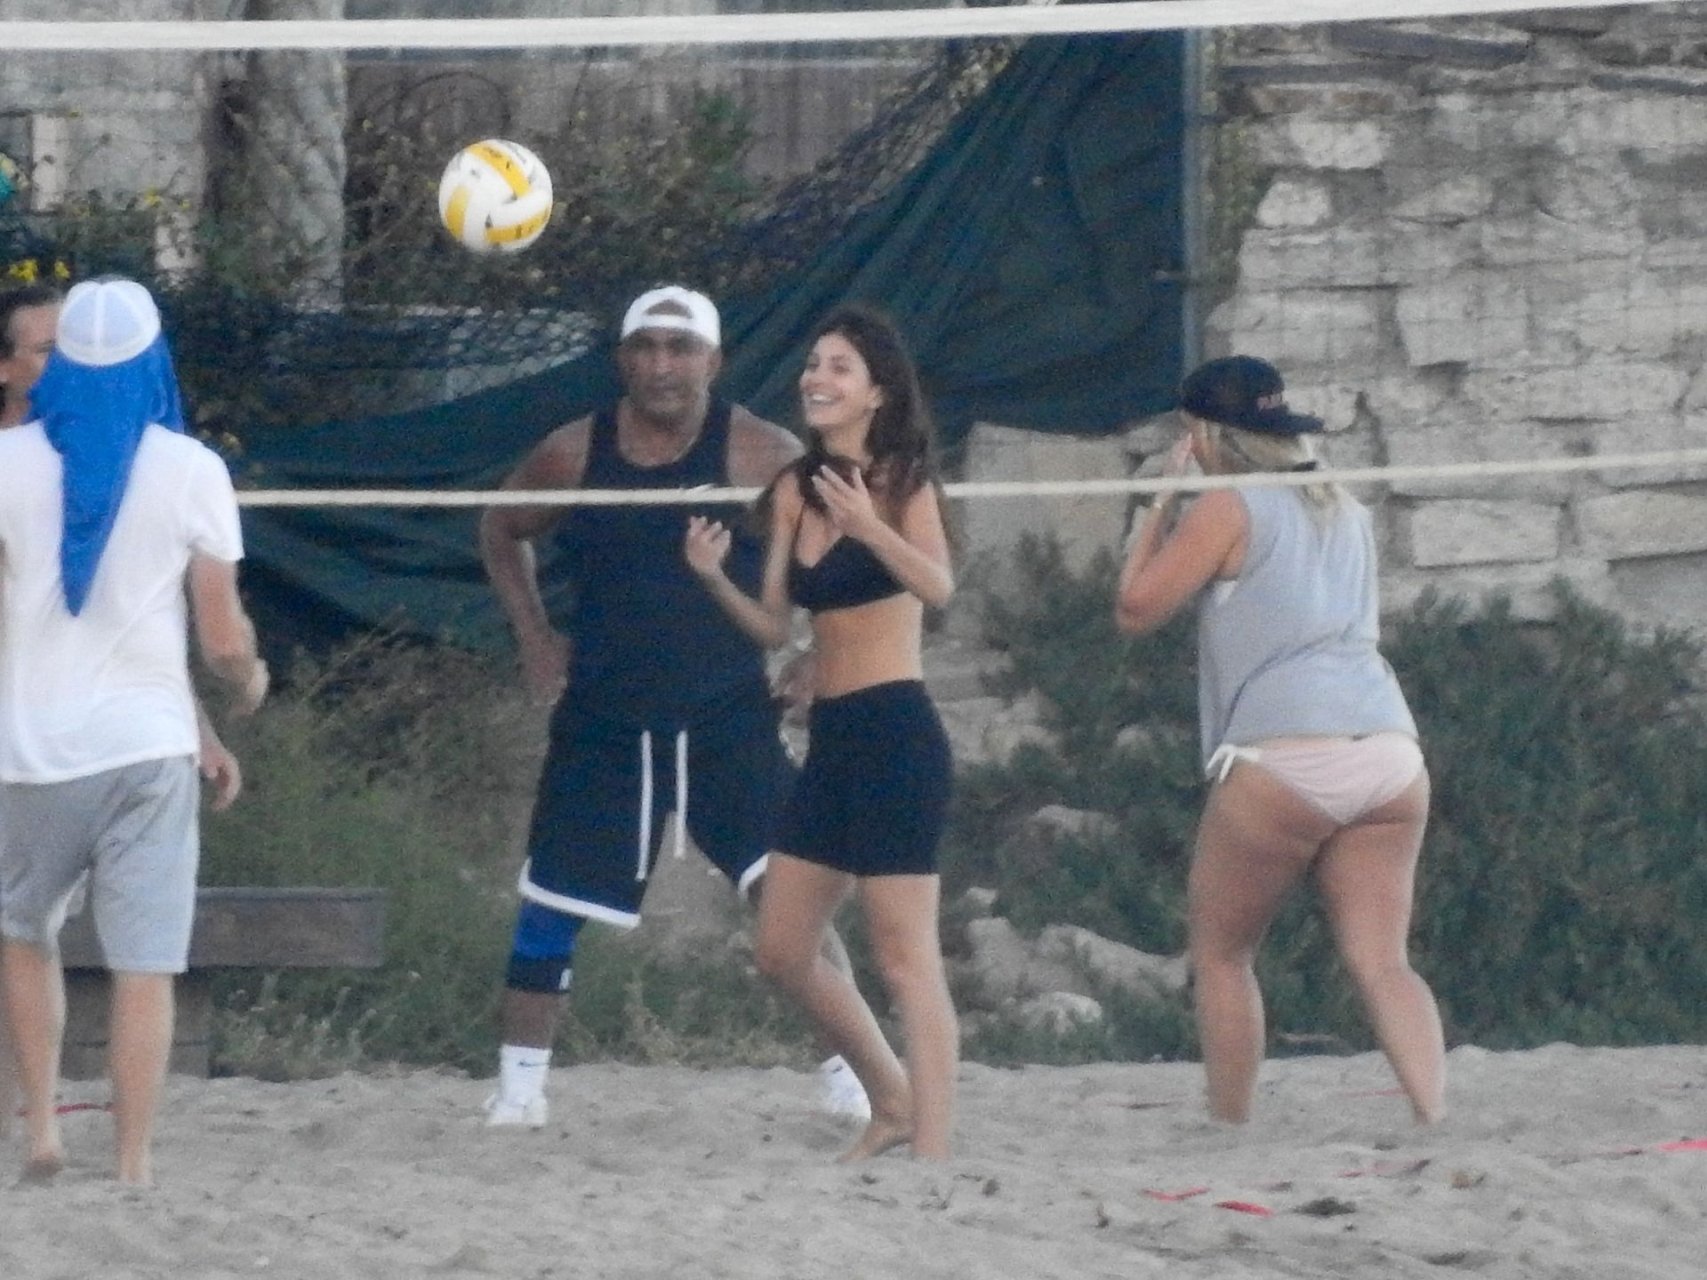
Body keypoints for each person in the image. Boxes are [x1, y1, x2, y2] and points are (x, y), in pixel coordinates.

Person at [478, 285, 867, 1127]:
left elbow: (847, 550)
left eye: (680, 348)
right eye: (646, 347)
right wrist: (535, 636)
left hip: (728, 715)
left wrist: (819, 653)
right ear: (623, 359)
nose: (662, 365)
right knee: (551, 904)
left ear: (713, 362)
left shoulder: (760, 452)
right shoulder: (572, 453)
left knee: (789, 898)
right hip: (605, 718)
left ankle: (853, 1073)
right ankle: (518, 1090)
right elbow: (499, 528)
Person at [1114, 354, 1445, 1127]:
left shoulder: (1227, 505)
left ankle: (1229, 1124)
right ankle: (1433, 1115)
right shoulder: (1342, 505)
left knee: (1223, 955)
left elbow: (1134, 609)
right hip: (1387, 746)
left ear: (1200, 434)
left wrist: (1158, 504)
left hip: (1285, 747)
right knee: (1383, 961)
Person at [0, 277, 268, 1185]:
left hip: (32, 748)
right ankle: (133, 1163)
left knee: (24, 935)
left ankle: (42, 1129)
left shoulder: (7, 463)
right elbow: (220, 638)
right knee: (145, 966)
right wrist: (247, 680)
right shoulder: (192, 470)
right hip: (149, 749)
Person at [684, 302, 959, 1161]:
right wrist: (711, 577)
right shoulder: (792, 491)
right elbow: (775, 626)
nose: (817, 378)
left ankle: (934, 1153)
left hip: (897, 734)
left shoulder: (903, 482)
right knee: (780, 949)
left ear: (876, 392)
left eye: (839, 366)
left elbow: (939, 588)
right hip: (831, 740)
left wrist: (870, 527)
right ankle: (891, 1100)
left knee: (905, 958)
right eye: (812, 364)